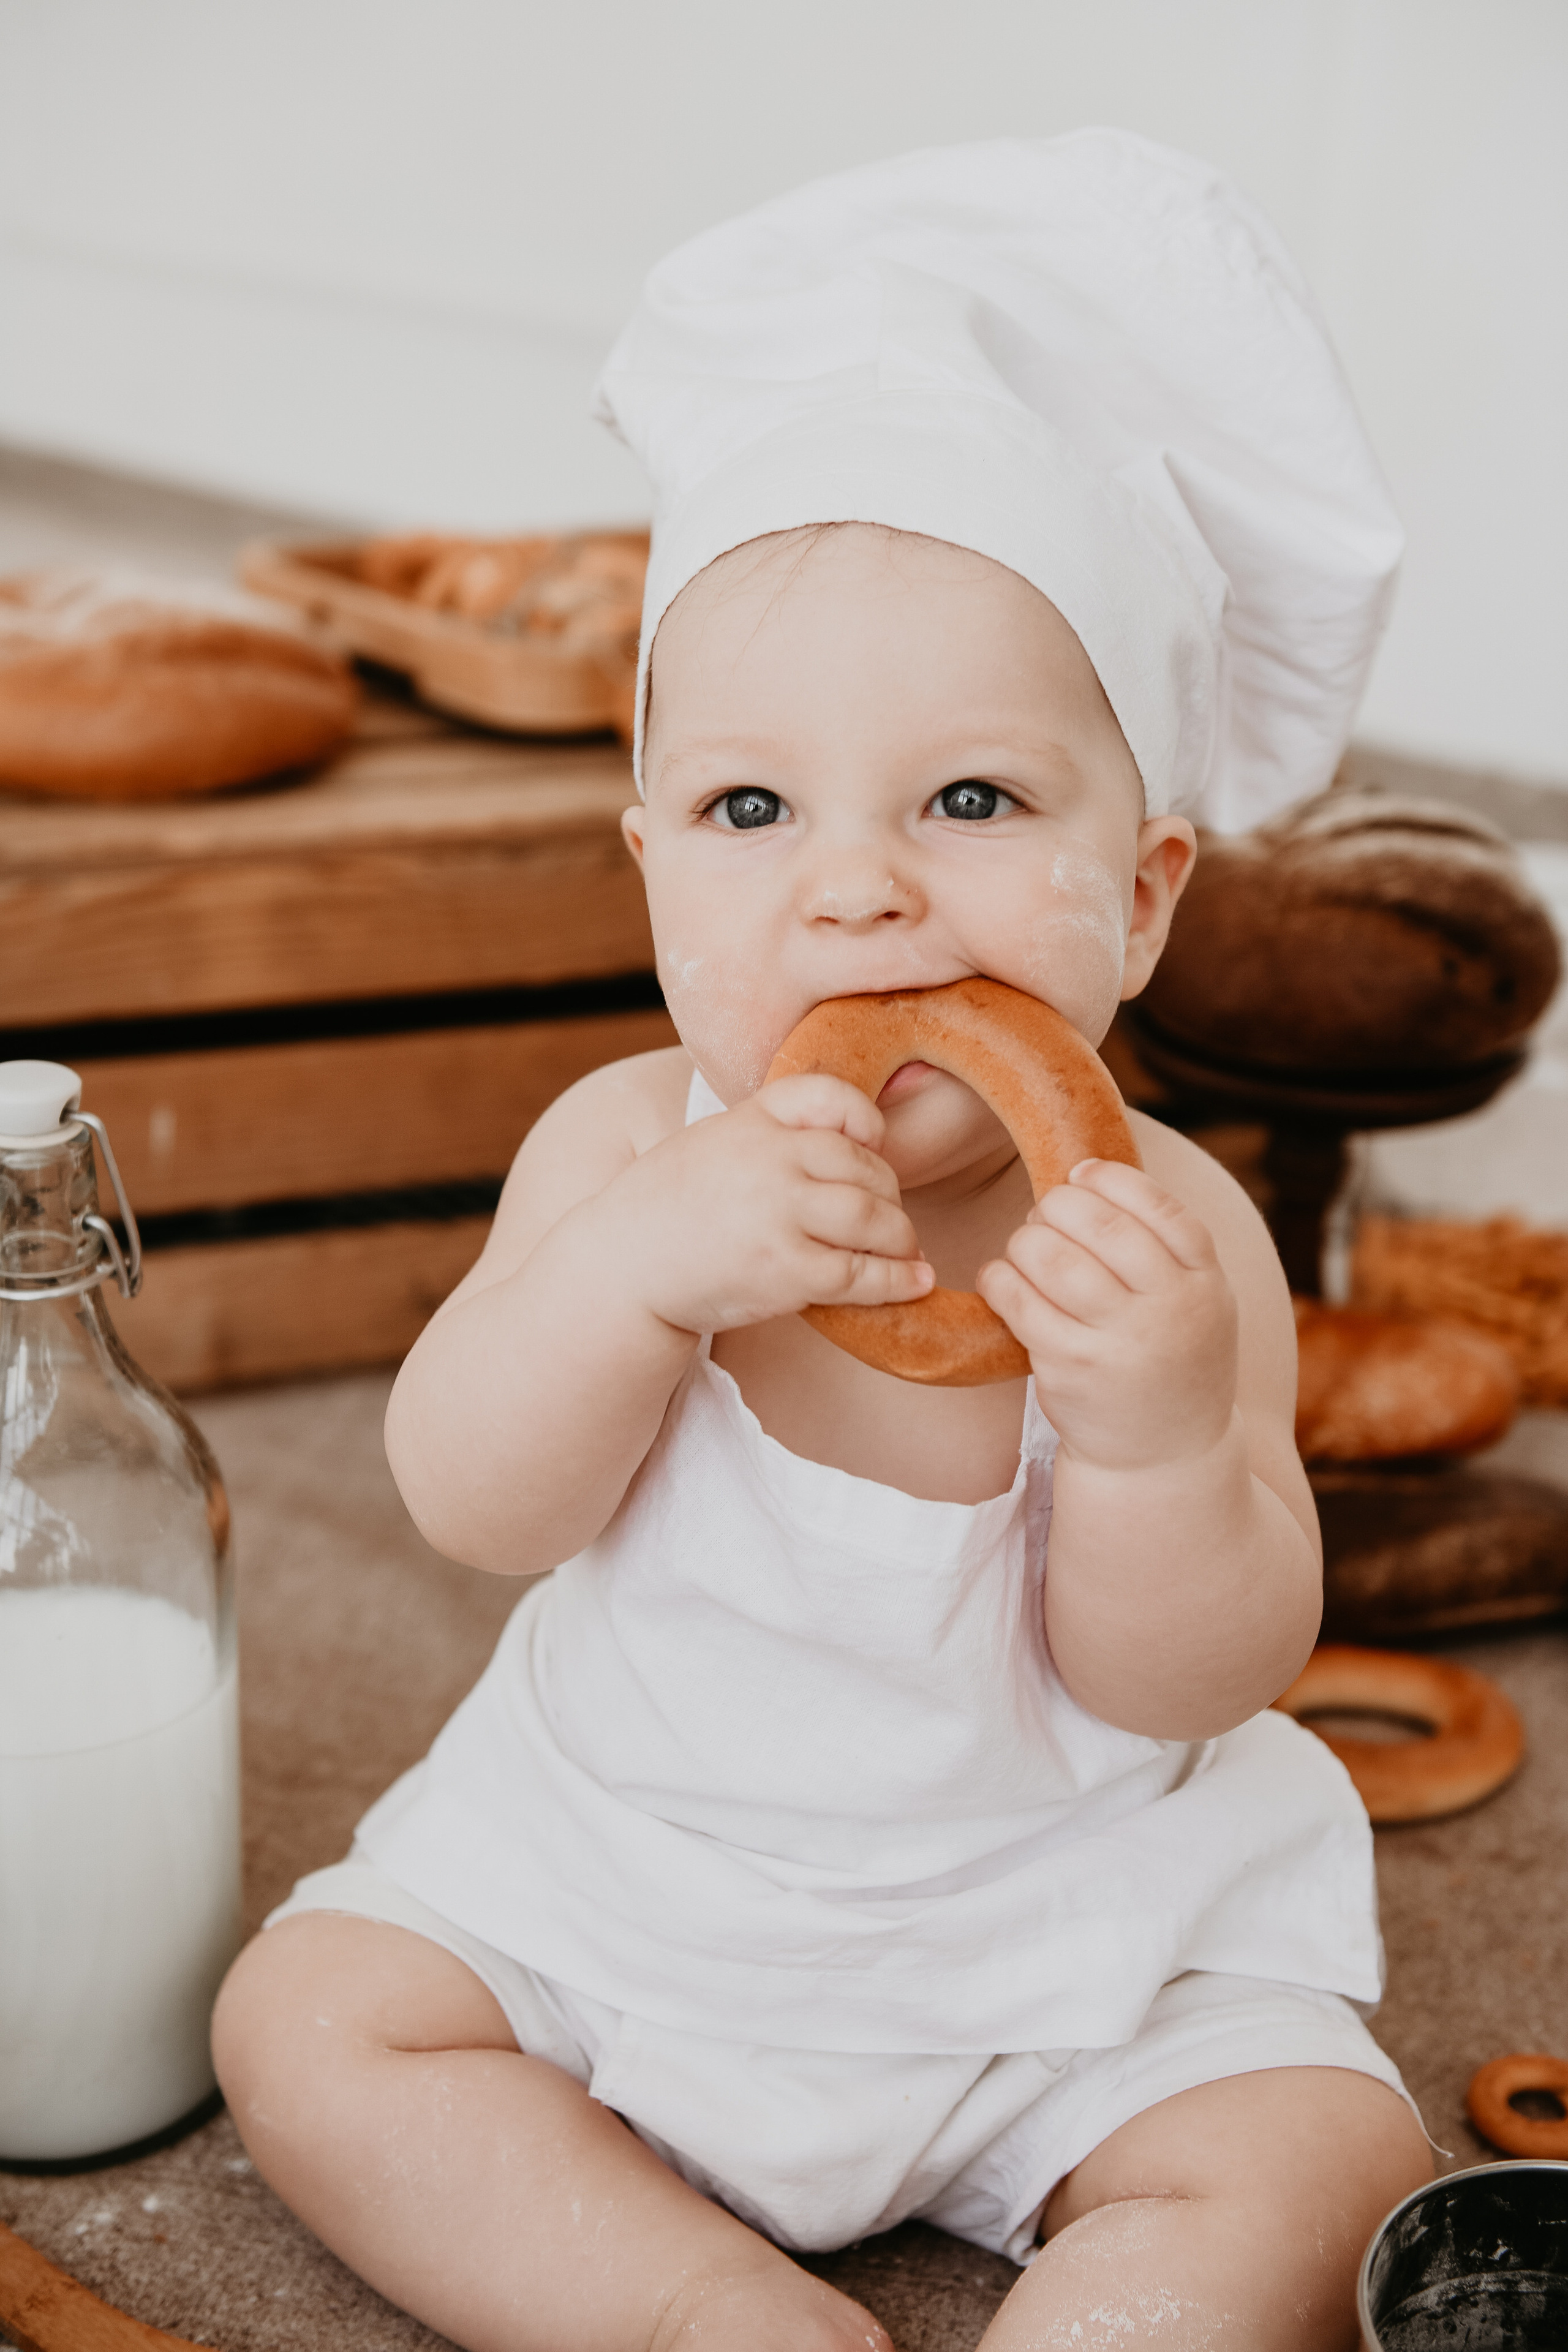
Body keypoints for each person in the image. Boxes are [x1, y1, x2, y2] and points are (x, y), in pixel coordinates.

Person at [213, 132, 1431, 2350]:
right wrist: (623, 1281)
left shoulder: (1178, 1238)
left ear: (1143, 891)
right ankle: (694, 2312)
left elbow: (1199, 1678)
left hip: (1068, 1955)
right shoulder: (615, 1150)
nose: (854, 891)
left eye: (971, 802)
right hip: (627, 1898)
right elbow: (470, 1503)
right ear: (652, 858)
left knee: (1322, 2160)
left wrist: (1158, 1446)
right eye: (752, 809)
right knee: (312, 2026)